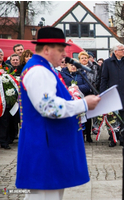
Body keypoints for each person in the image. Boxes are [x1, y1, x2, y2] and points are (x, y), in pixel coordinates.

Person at [15, 27, 101, 200]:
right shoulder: (39, 71)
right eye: (60, 50)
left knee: (51, 193)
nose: (64, 55)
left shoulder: (44, 68)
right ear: (46, 49)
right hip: (44, 145)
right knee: (43, 195)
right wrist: (83, 103)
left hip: (49, 143)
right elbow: (49, 108)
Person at [100, 43, 124, 147]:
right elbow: (104, 79)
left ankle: (123, 139)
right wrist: (103, 94)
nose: (123, 51)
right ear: (115, 52)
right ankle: (113, 139)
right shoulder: (107, 63)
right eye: (121, 49)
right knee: (113, 117)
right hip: (112, 95)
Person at [60, 59, 92, 142]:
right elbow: (60, 86)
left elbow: (88, 86)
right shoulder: (62, 74)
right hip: (68, 100)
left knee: (84, 118)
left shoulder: (82, 73)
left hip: (80, 99)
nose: (73, 67)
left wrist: (78, 88)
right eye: (71, 65)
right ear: (67, 65)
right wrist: (68, 88)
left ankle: (85, 135)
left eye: (75, 65)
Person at [0, 49, 14, 149]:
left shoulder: (8, 67)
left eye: (1, 54)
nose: (0, 56)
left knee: (5, 122)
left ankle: (4, 141)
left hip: (5, 99)